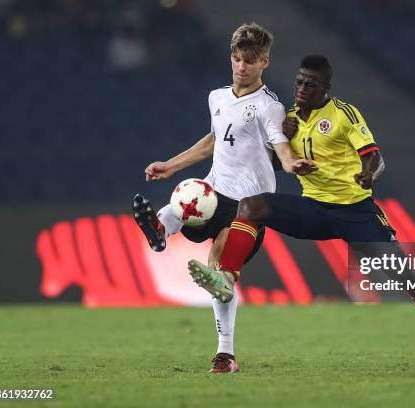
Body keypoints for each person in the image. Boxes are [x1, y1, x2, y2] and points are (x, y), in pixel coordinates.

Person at [189, 55, 415, 370]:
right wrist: (280, 143)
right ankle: (226, 278)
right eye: (299, 82)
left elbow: (374, 156)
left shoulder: (344, 114)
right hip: (315, 208)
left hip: (355, 213)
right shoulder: (288, 120)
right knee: (252, 205)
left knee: (410, 280)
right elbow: (273, 163)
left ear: (326, 88)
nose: (303, 88)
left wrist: (367, 174)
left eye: (311, 84)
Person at [133, 23, 316, 374]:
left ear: (264, 61)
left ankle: (225, 354)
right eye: (236, 58)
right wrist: (170, 165)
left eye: (249, 60)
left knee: (220, 272)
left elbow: (281, 144)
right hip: (214, 191)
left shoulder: (268, 107)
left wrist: (293, 163)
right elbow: (213, 140)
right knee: (186, 195)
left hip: (247, 207)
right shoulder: (217, 97)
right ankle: (159, 231)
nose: (241, 67)